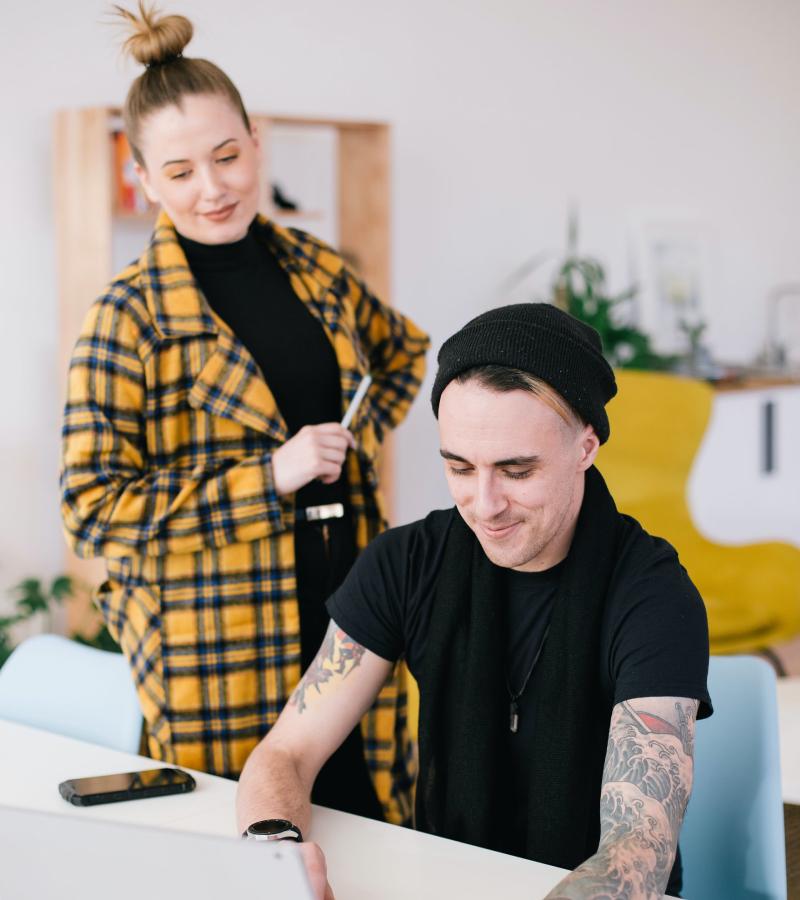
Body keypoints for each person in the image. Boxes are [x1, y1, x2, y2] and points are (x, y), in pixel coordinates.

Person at [60, 2, 429, 827]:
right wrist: (269, 478)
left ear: (257, 142)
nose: (213, 187)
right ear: (143, 178)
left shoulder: (315, 267)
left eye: (227, 156)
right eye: (180, 171)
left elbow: (402, 353)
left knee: (374, 822)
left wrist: (352, 444)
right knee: (247, 841)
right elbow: (90, 512)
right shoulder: (126, 318)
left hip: (352, 599)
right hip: (215, 636)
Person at [236, 303, 712, 899]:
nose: (484, 505)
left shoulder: (654, 595)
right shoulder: (407, 563)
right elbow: (286, 752)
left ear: (586, 447)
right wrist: (275, 851)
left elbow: (637, 850)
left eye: (517, 471)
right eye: (460, 468)